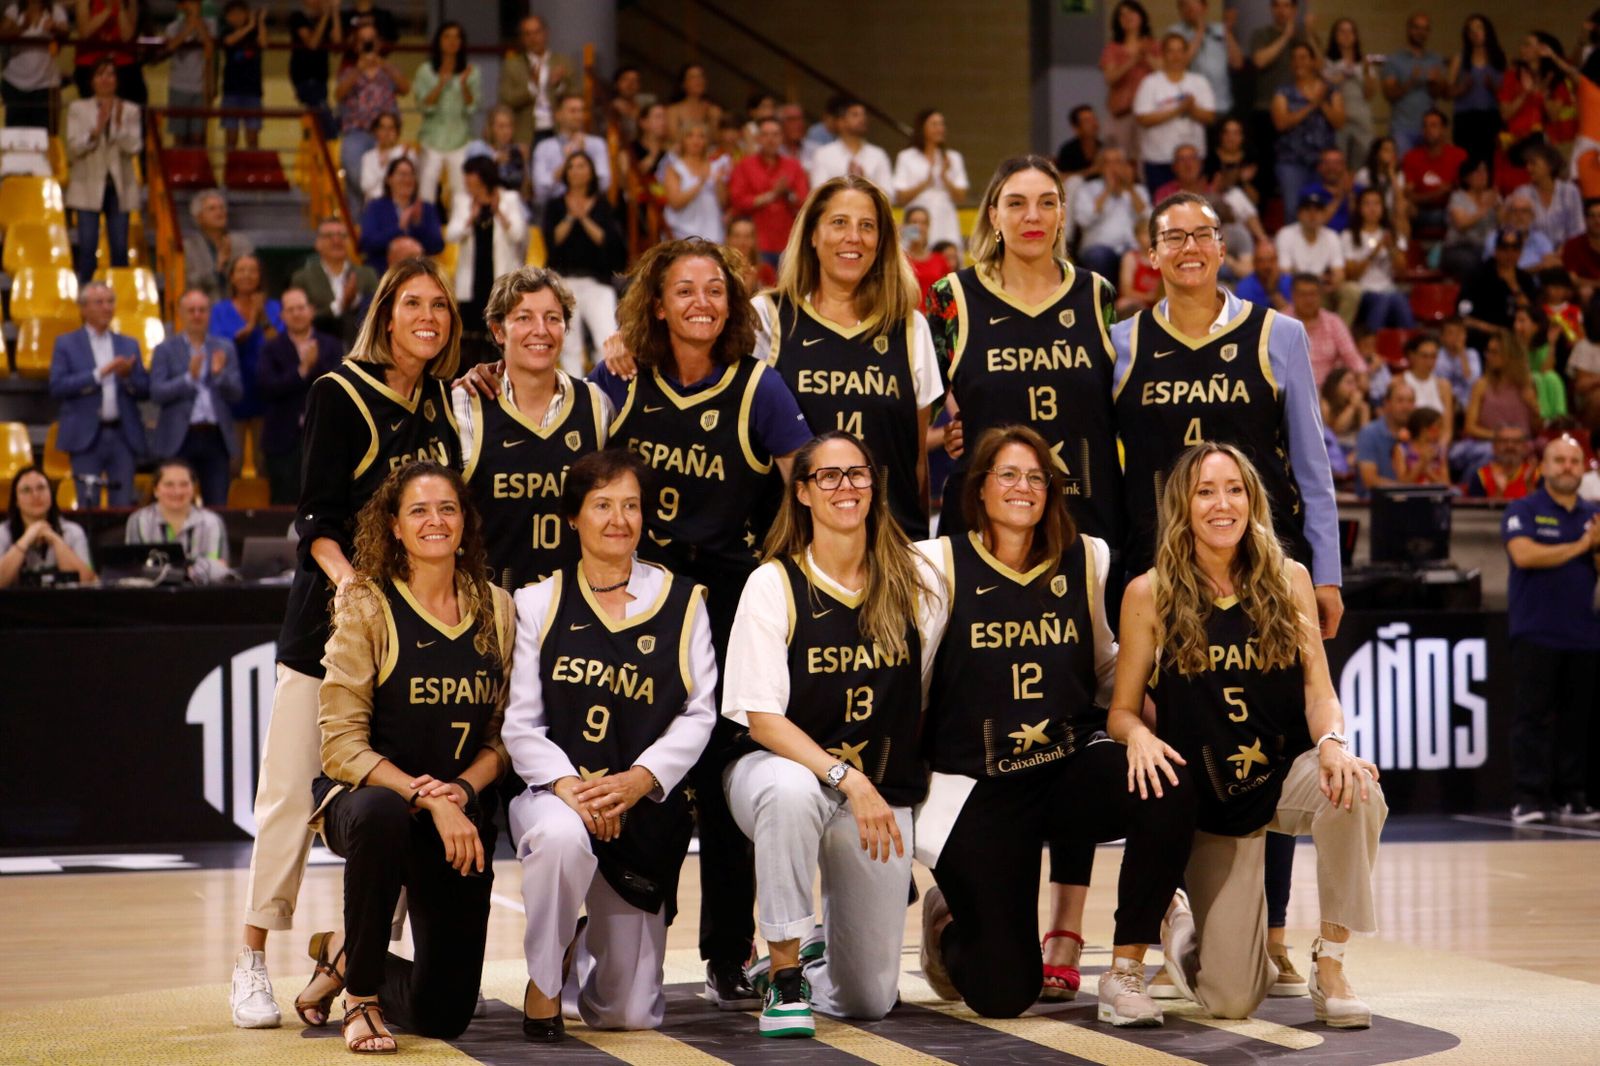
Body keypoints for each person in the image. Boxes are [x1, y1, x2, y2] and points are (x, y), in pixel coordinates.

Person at [229, 258, 464, 1030]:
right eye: (413, 304)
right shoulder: (340, 392)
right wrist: (349, 585)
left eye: (440, 305)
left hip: (411, 641)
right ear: (385, 315)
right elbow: (315, 521)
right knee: (289, 799)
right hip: (328, 630)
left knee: (401, 798)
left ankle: (345, 959)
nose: (428, 316)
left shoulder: (442, 402)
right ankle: (252, 960)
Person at [916, 424, 1192, 1023]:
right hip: (977, 788)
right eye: (1008, 475)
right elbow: (910, 683)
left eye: (1037, 477)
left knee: (1166, 779)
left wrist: (1151, 723)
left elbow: (1105, 664)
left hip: (1064, 769)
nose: (1024, 487)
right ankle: (945, 926)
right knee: (1003, 995)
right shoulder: (937, 563)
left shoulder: (1087, 556)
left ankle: (1125, 968)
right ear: (979, 488)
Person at [1111, 442, 1386, 1026]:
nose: (1222, 504)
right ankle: (1178, 918)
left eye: (1234, 489)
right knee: (1233, 1001)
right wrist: (1135, 734)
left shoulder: (1289, 578)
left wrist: (1334, 744)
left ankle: (1331, 961)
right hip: (1211, 799)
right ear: (1182, 506)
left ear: (1252, 499)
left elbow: (1319, 690)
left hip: (1284, 772)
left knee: (1357, 788)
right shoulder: (1148, 592)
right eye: (1205, 491)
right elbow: (1122, 710)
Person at [721, 431, 947, 1038]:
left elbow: (920, 693)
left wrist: (874, 789)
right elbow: (761, 717)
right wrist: (846, 777)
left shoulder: (919, 584)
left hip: (873, 795)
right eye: (829, 477)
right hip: (777, 775)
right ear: (802, 493)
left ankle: (808, 958)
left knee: (870, 998)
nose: (846, 487)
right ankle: (788, 974)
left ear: (875, 485)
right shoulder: (773, 584)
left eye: (858, 474)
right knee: (792, 792)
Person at [297, 460, 514, 1053]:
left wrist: (461, 794)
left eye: (447, 508)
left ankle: (343, 955)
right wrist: (423, 795)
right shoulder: (366, 604)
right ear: (393, 526)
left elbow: (502, 736)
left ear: (465, 521)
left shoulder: (497, 607)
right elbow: (341, 743)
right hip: (370, 803)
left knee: (443, 1014)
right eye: (418, 510)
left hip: (456, 814)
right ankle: (361, 997)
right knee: (380, 815)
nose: (435, 521)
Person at [501, 448, 717, 1040]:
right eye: (602, 505)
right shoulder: (537, 602)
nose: (618, 519)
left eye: (630, 505)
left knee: (627, 1016)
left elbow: (700, 715)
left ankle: (576, 959)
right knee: (558, 837)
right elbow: (520, 722)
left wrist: (641, 779)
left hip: (641, 805)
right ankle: (544, 984)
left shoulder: (684, 601)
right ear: (573, 517)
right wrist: (571, 788)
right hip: (558, 795)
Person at [1112, 192, 1344, 636]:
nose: (1190, 247)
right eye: (1174, 237)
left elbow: (1314, 471)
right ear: (1153, 255)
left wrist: (1327, 575)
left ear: (1221, 248)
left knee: (1273, 702)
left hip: (1267, 563)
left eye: (1202, 235)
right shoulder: (1121, 343)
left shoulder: (1280, 335)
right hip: (1158, 566)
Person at [932, 154, 1123, 549]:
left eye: (1047, 202)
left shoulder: (1097, 294)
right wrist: (956, 423)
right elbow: (912, 416)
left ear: (1062, 215)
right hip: (982, 528)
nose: (1032, 216)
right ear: (994, 216)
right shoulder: (952, 297)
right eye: (1016, 203)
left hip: (1086, 522)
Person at [758, 176, 944, 538]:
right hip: (796, 546)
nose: (853, 237)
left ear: (881, 242)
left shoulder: (910, 327)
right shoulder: (767, 318)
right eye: (839, 223)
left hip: (892, 545)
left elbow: (916, 463)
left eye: (867, 226)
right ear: (813, 235)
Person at [455, 268, 611, 591]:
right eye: (524, 318)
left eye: (553, 318)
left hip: (574, 607)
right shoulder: (462, 406)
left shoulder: (597, 405)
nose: (541, 330)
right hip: (489, 606)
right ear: (499, 331)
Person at [1502, 435, 1600, 824]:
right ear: (1543, 467)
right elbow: (1523, 553)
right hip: (1536, 632)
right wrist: (1581, 546)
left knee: (1579, 719)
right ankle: (1529, 797)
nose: (1567, 467)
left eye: (1574, 462)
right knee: (1533, 716)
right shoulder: (1524, 509)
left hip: (1584, 633)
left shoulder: (1591, 515)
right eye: (1559, 460)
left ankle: (1573, 795)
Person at [47, 281, 148, 508]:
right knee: (87, 505)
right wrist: (98, 374)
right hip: (86, 437)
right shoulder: (66, 344)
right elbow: (58, 386)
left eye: (110, 302)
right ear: (83, 309)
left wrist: (128, 377)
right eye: (99, 302)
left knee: (122, 506)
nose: (106, 308)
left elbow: (145, 389)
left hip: (123, 435)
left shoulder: (129, 344)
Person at [151, 289, 242, 509]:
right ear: (181, 314)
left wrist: (219, 375)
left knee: (218, 504)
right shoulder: (165, 350)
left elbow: (237, 393)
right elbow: (156, 393)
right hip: (180, 437)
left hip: (215, 436)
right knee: (176, 503)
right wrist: (188, 379)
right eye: (191, 310)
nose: (197, 315)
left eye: (202, 310)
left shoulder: (224, 347)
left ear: (209, 314)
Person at [257, 286, 342, 505]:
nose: (297, 313)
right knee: (283, 502)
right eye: (290, 309)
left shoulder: (331, 345)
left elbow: (339, 387)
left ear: (311, 311)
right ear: (283, 316)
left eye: (301, 308)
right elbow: (267, 387)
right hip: (283, 442)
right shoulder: (271, 348)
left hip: (325, 440)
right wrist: (301, 370)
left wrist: (315, 365)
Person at [544, 153, 627, 377]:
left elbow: (609, 241)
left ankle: (608, 391)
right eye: (571, 166)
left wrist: (585, 218)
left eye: (582, 165)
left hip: (596, 281)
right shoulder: (555, 206)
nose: (576, 170)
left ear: (591, 171)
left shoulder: (603, 205)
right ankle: (575, 395)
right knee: (569, 344)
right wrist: (571, 217)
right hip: (564, 282)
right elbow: (552, 241)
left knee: (607, 337)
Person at [64, 57, 141, 284]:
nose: (105, 79)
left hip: (118, 187)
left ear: (117, 80)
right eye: (100, 74)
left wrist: (116, 127)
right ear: (92, 80)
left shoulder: (130, 110)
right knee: (87, 249)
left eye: (110, 74)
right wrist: (96, 130)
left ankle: (119, 300)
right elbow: (74, 148)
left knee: (119, 248)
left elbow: (135, 146)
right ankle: (87, 301)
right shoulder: (78, 109)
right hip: (87, 185)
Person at [447, 157, 529, 366]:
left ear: (482, 177)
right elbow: (452, 235)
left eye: (469, 175)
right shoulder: (462, 201)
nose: (466, 181)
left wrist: (499, 212)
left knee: (499, 335)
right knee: (470, 340)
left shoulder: (508, 198)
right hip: (472, 279)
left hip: (499, 278)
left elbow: (518, 235)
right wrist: (470, 219)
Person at [335, 22, 409, 220]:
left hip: (386, 133)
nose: (368, 44)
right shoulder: (348, 70)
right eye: (363, 41)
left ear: (379, 43)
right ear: (356, 44)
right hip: (356, 133)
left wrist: (382, 63)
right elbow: (339, 93)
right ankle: (363, 223)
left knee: (399, 171)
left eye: (371, 40)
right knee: (357, 179)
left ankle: (388, 215)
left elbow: (405, 87)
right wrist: (358, 70)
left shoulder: (388, 69)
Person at [210, 253, 282, 439]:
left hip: (267, 393)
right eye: (241, 270)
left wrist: (263, 318)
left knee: (263, 461)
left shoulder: (275, 307)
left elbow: (280, 346)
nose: (247, 275)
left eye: (252, 271)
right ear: (232, 277)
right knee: (233, 462)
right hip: (232, 393)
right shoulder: (220, 310)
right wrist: (252, 322)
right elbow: (222, 347)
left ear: (260, 277)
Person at [124, 458, 232, 581]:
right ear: (155, 490)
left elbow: (221, 571)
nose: (177, 491)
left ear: (193, 488)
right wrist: (194, 570)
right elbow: (133, 569)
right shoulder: (138, 520)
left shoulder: (213, 522)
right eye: (169, 484)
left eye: (184, 484)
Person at [1134, 32, 1216, 194]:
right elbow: (1143, 118)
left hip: (1192, 161)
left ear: (1186, 54)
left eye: (1180, 50)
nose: (1176, 56)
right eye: (1171, 51)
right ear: (1163, 55)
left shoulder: (1199, 82)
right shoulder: (1150, 83)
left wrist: (1191, 109)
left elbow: (1210, 117)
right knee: (1161, 209)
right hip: (1158, 158)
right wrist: (1179, 109)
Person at [1272, 42, 1345, 221]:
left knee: (1322, 208)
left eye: (1303, 58)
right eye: (1295, 59)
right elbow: (1281, 123)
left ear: (1313, 62)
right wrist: (1312, 105)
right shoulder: (1284, 91)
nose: (1299, 62)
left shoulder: (1330, 90)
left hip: (1323, 163)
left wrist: (1321, 102)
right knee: (1293, 209)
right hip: (1292, 160)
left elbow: (1339, 121)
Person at [1245, 0, 1310, 196]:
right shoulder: (1262, 34)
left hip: (1300, 111)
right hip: (1267, 109)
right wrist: (1285, 37)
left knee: (1299, 168)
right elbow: (1259, 60)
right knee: (1266, 169)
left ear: (1294, 9)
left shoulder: (1303, 35)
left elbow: (1320, 66)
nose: (1282, 11)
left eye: (1286, 6)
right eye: (1277, 6)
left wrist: (1307, 33)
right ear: (1272, 9)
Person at [412, 21, 478, 206]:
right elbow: (423, 106)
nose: (452, 41)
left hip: (460, 138)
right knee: (427, 181)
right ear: (438, 41)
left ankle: (460, 229)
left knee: (462, 190)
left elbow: (472, 107)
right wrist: (440, 84)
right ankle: (426, 228)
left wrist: (464, 85)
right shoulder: (425, 71)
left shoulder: (471, 72)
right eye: (447, 36)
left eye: (457, 37)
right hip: (432, 139)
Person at [728, 116, 809, 265]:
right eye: (765, 135)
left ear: (782, 138)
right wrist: (772, 195)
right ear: (758, 138)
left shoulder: (793, 166)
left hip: (787, 242)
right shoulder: (744, 166)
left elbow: (803, 202)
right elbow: (738, 201)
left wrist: (787, 193)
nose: (770, 139)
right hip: (756, 244)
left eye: (775, 134)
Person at [291, 217, 381, 346]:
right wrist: (340, 305)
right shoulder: (302, 278)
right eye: (329, 236)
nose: (336, 240)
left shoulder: (367, 274)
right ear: (317, 243)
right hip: (318, 350)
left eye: (342, 236)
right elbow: (301, 319)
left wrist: (355, 303)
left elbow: (377, 313)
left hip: (360, 348)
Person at [0, 466, 94, 588]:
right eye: (26, 490)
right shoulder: (3, 533)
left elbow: (88, 581)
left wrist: (54, 539)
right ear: (16, 501)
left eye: (41, 488)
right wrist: (27, 538)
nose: (35, 495)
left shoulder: (72, 531)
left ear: (51, 494)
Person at [1072, 145, 1151, 282]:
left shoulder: (1138, 190)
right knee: (1099, 256)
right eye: (1108, 162)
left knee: (1139, 257)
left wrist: (1130, 189)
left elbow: (1147, 219)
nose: (1114, 167)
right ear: (1101, 167)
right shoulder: (1088, 189)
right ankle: (1101, 301)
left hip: (1130, 248)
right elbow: (1083, 220)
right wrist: (1107, 190)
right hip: (1098, 248)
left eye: (1118, 162)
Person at [893, 109, 969, 249]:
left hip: (945, 217)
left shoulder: (953, 157)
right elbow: (900, 197)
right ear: (922, 128)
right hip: (916, 217)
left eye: (941, 124)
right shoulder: (906, 157)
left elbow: (962, 196)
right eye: (934, 124)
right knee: (911, 255)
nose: (940, 128)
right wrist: (925, 183)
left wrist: (945, 178)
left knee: (947, 256)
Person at [1343, 188, 1414, 331]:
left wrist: (1392, 249)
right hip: (1363, 291)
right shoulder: (1348, 236)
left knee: (1399, 300)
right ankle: (1371, 342)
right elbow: (1351, 275)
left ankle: (1411, 343)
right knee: (1382, 300)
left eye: (1376, 204)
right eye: (1367, 204)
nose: (1372, 209)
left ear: (1383, 207)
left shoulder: (1392, 234)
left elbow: (1402, 272)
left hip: (1388, 288)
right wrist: (1373, 253)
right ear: (1359, 208)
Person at [1100, 0, 1161, 167]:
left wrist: (1146, 55)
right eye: (1122, 15)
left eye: (1131, 13)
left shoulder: (1154, 45)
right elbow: (1110, 78)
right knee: (1119, 161)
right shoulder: (1113, 48)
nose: (1127, 17)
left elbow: (1164, 72)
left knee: (1144, 162)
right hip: (1122, 113)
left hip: (1148, 115)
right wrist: (1132, 60)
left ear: (1141, 16)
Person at [497, 14, 574, 145]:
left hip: (558, 129)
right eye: (527, 34)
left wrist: (557, 85)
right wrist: (532, 86)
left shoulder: (563, 62)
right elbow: (506, 99)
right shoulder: (512, 65)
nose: (533, 38)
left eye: (537, 32)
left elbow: (576, 95)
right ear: (522, 38)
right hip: (526, 133)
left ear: (546, 33)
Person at [359, 157, 445, 270]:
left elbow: (437, 245)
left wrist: (417, 226)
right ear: (389, 179)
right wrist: (398, 229)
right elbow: (367, 244)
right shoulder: (376, 207)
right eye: (402, 174)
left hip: (419, 271)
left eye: (411, 175)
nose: (407, 179)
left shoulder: (426, 208)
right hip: (383, 270)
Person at [1461, 228, 1540, 349]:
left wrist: (1514, 285)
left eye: (1514, 249)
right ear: (1496, 251)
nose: (1509, 254)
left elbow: (1532, 314)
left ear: (1520, 253)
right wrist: (1496, 331)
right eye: (1504, 248)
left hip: (1516, 340)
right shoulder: (1477, 276)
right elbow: (1464, 317)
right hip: (1482, 338)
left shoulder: (1525, 279)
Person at [1381, 12, 1448, 155]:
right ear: (1409, 30)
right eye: (1417, 28)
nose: (1420, 33)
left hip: (1429, 130)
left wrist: (1434, 83)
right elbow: (1389, 94)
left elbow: (1440, 94)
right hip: (1402, 128)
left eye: (1425, 29)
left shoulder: (1435, 59)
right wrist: (1411, 81)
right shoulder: (1395, 59)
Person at [531, 93, 612, 207]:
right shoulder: (544, 147)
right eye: (573, 111)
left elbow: (604, 183)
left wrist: (584, 156)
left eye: (581, 111)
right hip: (555, 209)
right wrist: (566, 163)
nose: (578, 116)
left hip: (589, 206)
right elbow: (540, 191)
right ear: (558, 115)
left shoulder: (597, 144)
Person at [1448, 14, 1507, 168]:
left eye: (1479, 28)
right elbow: (1448, 91)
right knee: (1466, 161)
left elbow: (1507, 92)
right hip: (1466, 118)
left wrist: (1494, 88)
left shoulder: (1498, 58)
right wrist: (1462, 88)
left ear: (1487, 31)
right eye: (1471, 30)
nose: (1475, 33)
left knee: (1491, 159)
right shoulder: (1459, 58)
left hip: (1491, 116)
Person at [1, 1, 69, 131]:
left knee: (47, 137)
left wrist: (54, 28)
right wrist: (22, 27)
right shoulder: (14, 10)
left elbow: (65, 34)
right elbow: (2, 34)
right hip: (14, 84)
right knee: (15, 137)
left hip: (46, 85)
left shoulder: (56, 10)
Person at [660, 121, 731, 243]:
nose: (696, 140)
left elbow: (723, 202)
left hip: (713, 232)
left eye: (701, 136)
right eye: (690, 136)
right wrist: (700, 182)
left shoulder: (715, 166)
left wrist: (719, 183)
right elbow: (675, 203)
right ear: (683, 140)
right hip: (683, 233)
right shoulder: (674, 168)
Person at [1290, 274, 1365, 387]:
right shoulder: (1280, 322)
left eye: (1313, 294)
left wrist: (1362, 379)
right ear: (1293, 296)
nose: (1308, 300)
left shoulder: (1333, 322)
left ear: (1320, 296)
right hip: (1292, 391)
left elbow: (1352, 358)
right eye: (1303, 295)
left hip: (1330, 392)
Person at [806, 97, 892, 191]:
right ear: (840, 122)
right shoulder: (823, 154)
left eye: (864, 114)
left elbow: (890, 195)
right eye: (855, 115)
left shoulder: (878, 154)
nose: (862, 119)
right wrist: (847, 185)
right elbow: (817, 192)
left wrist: (865, 183)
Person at [183, 190, 257, 300]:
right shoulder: (188, 247)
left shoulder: (242, 243)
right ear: (199, 218)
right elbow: (190, 283)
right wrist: (217, 268)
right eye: (212, 209)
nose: (219, 212)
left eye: (222, 208)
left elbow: (253, 278)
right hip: (204, 309)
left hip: (238, 307)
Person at [1323, 18, 1376, 171]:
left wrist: (1366, 72)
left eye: (1350, 31)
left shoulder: (1363, 62)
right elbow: (1324, 87)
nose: (1346, 35)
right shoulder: (1328, 62)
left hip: (1361, 118)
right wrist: (1341, 76)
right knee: (1339, 162)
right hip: (1338, 119)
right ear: (1334, 35)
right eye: (1342, 31)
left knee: (1364, 160)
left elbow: (1369, 94)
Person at [1402, 110, 1469, 231]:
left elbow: (1467, 190)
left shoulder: (1459, 155)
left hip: (1452, 211)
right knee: (1405, 207)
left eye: (1433, 125)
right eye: (1425, 125)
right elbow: (1409, 196)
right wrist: (1438, 193)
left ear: (1444, 129)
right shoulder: (1411, 157)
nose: (1428, 130)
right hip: (1421, 212)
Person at [162, 0, 212, 147]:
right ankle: (178, 169)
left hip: (199, 88)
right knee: (179, 136)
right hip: (178, 87)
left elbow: (209, 52)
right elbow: (169, 48)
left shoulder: (208, 25)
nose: (193, 5)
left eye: (196, 2)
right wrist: (188, 29)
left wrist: (199, 26)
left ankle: (195, 168)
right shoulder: (173, 27)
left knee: (198, 136)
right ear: (181, 6)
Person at [287, 0, 342, 137]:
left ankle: (317, 147)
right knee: (328, 125)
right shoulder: (297, 17)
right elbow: (312, 43)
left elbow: (337, 42)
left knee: (318, 121)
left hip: (321, 78)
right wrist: (325, 16)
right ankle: (327, 149)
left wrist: (334, 13)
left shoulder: (325, 19)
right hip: (304, 78)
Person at [1515, 144, 1585, 249]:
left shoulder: (1570, 191)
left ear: (1549, 166)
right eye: (1527, 164)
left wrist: (1562, 252)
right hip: (1533, 254)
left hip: (1566, 253)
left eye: (1533, 163)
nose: (1528, 168)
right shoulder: (1522, 193)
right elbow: (1518, 231)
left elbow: (1577, 230)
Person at [1442, 158, 1501, 281]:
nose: (1482, 175)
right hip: (1459, 248)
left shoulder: (1494, 197)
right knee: (1474, 263)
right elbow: (1461, 224)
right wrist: (1484, 208)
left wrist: (1499, 208)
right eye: (1477, 172)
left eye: (1484, 171)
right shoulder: (1457, 197)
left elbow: (1503, 225)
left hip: (1488, 248)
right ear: (1466, 177)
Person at [72, 0, 141, 104]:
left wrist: (120, 9)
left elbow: (127, 37)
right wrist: (108, 10)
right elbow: (84, 32)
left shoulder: (130, 2)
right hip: (90, 65)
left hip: (123, 66)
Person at [218, 1, 265, 150]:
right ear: (227, 17)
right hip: (231, 90)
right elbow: (229, 41)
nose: (237, 17)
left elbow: (263, 43)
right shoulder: (226, 31)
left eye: (240, 13)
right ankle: (230, 170)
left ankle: (251, 171)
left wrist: (260, 22)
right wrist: (249, 26)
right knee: (231, 137)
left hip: (252, 91)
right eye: (233, 14)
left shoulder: (255, 32)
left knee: (252, 138)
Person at [464, 104, 532, 206]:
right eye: (501, 126)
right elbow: (474, 182)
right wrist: (495, 161)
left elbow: (526, 194)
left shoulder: (515, 152)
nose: (506, 131)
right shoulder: (478, 148)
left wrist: (525, 163)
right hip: (485, 205)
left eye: (509, 126)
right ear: (490, 128)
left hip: (516, 207)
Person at [1354, 379, 1416, 491]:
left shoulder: (1418, 433)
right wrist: (1406, 489)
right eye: (1400, 401)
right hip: (1375, 504)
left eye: (1410, 401)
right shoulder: (1369, 433)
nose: (1406, 407)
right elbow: (1370, 480)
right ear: (1387, 404)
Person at [1275, 190, 1345, 285]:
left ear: (1324, 215)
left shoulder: (1332, 236)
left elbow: (1339, 273)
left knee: (1350, 289)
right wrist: (1319, 278)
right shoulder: (1285, 234)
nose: (1312, 215)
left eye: (1318, 210)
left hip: (1322, 289)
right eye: (1307, 210)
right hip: (1295, 288)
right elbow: (1284, 272)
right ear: (1298, 214)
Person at [1463, 424, 1538, 498]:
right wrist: (1498, 492)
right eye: (1504, 441)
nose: (1510, 446)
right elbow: (1475, 510)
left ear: (1525, 447)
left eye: (1516, 442)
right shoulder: (1481, 476)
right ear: (1494, 447)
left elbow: (1542, 508)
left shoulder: (1536, 475)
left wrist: (1530, 486)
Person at [358, 112, 416, 206]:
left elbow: (410, 185)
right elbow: (366, 186)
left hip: (401, 206)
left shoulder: (407, 153)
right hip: (375, 207)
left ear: (397, 132)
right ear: (376, 131)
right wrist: (385, 165)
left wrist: (388, 161)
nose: (387, 132)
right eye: (382, 128)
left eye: (391, 128)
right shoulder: (368, 157)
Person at [1298, 149, 1356, 234]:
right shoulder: (1309, 192)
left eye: (1336, 163)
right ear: (1319, 167)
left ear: (1344, 166)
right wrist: (1339, 197)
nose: (1331, 167)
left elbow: (1362, 224)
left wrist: (1350, 194)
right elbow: (1313, 223)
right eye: (1327, 163)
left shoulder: (1359, 190)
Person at [665, 63, 724, 146]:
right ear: (683, 84)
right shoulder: (673, 110)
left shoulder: (713, 109)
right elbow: (673, 138)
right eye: (693, 77)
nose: (698, 80)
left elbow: (719, 140)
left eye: (701, 76)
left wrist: (713, 120)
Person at [901, 206, 948, 306]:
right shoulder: (898, 259)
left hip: (933, 317)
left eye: (923, 223)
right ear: (906, 227)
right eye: (914, 223)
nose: (919, 227)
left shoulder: (940, 260)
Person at [1392, 407, 1449, 484]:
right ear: (1424, 430)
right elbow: (1403, 482)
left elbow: (1446, 483)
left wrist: (1427, 471)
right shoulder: (1402, 449)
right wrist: (1421, 463)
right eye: (1438, 427)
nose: (1441, 431)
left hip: (1435, 494)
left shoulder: (1439, 450)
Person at [1438, 316, 1483, 409]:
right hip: (1443, 403)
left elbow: (1473, 383)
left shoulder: (1472, 354)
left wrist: (1462, 355)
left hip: (1468, 404)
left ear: (1465, 336)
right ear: (1442, 337)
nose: (1456, 337)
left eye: (1460, 333)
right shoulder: (1436, 356)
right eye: (1451, 333)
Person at [1235, 238, 1292, 311]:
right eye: (1261, 261)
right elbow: (1250, 319)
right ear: (1254, 263)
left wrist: (1273, 291)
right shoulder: (1244, 287)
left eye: (1271, 260)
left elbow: (1293, 317)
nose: (1267, 266)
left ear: (1277, 261)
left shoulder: (1290, 283)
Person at [1320, 365, 1371, 444]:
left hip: (1352, 448)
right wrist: (1352, 407)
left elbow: (1365, 439)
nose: (1354, 387)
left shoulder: (1361, 407)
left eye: (1355, 383)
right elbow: (1335, 432)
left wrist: (1363, 412)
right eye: (1349, 383)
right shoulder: (1325, 404)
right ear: (1335, 385)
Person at [1561, 198, 1600, 301]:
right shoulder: (1573, 244)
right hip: (1589, 292)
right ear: (1585, 219)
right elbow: (1572, 278)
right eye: (1592, 216)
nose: (1597, 220)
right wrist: (1596, 284)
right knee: (1585, 292)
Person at [1053, 105, 1103, 180]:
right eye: (1087, 121)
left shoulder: (1104, 147)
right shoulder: (1068, 150)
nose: (1093, 124)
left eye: (1094, 119)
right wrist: (1090, 171)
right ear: (1077, 128)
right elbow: (1062, 176)